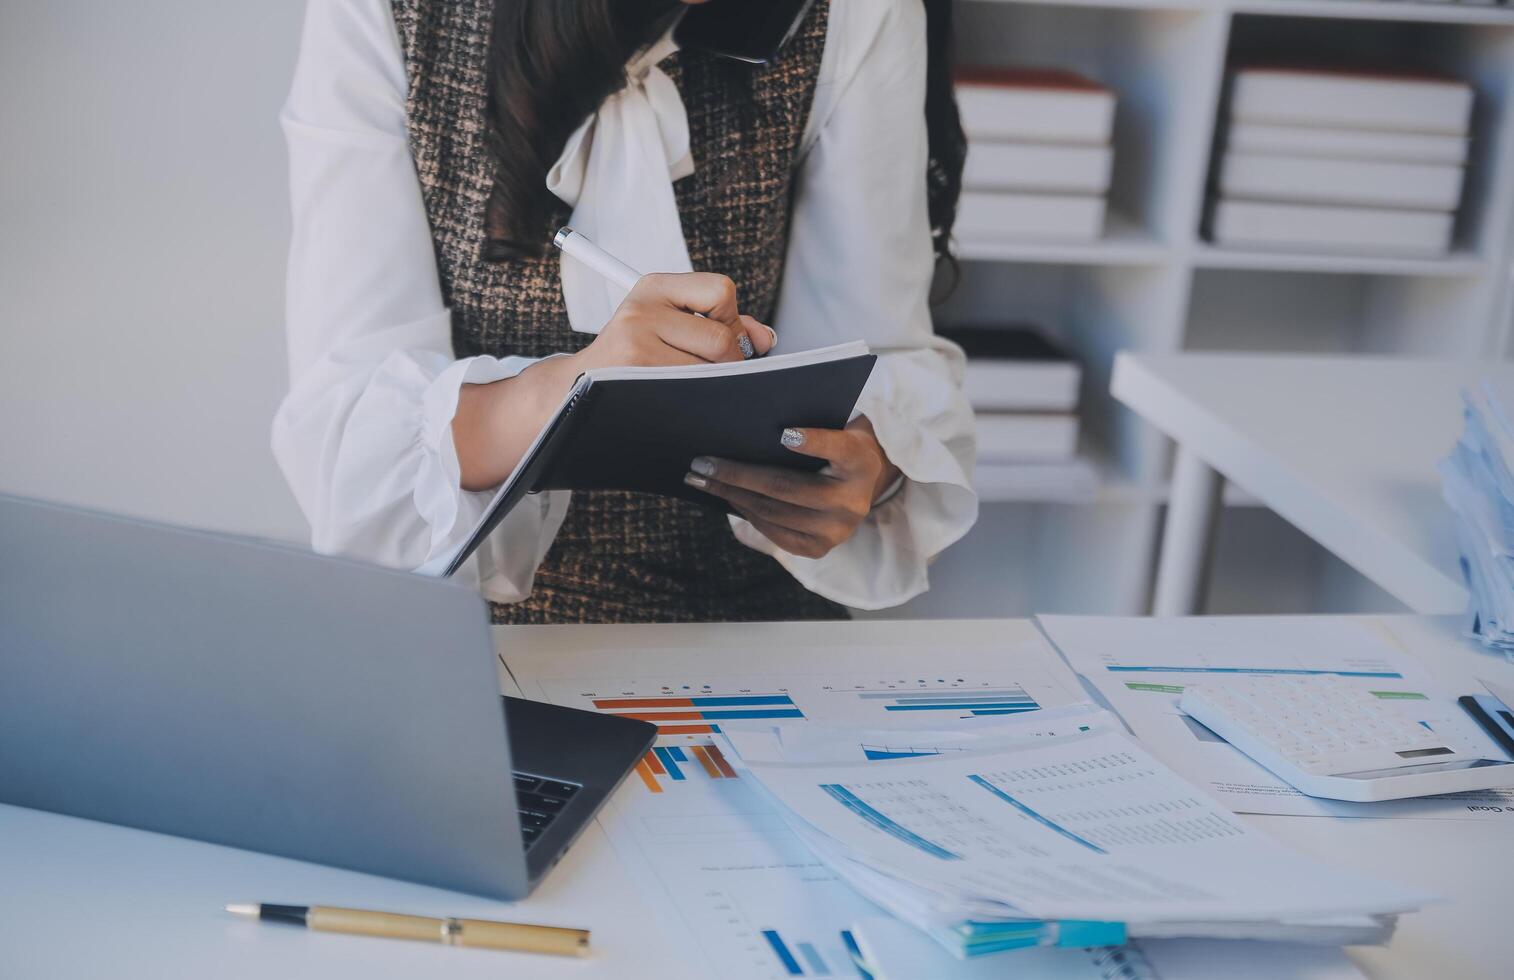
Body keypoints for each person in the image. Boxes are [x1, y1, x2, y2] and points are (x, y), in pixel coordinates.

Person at [272, 0, 978, 624]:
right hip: (463, 630)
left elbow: (878, 350)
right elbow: (347, 439)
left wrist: (866, 468)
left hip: (755, 625)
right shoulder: (385, 14)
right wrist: (574, 388)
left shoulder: (854, 13)